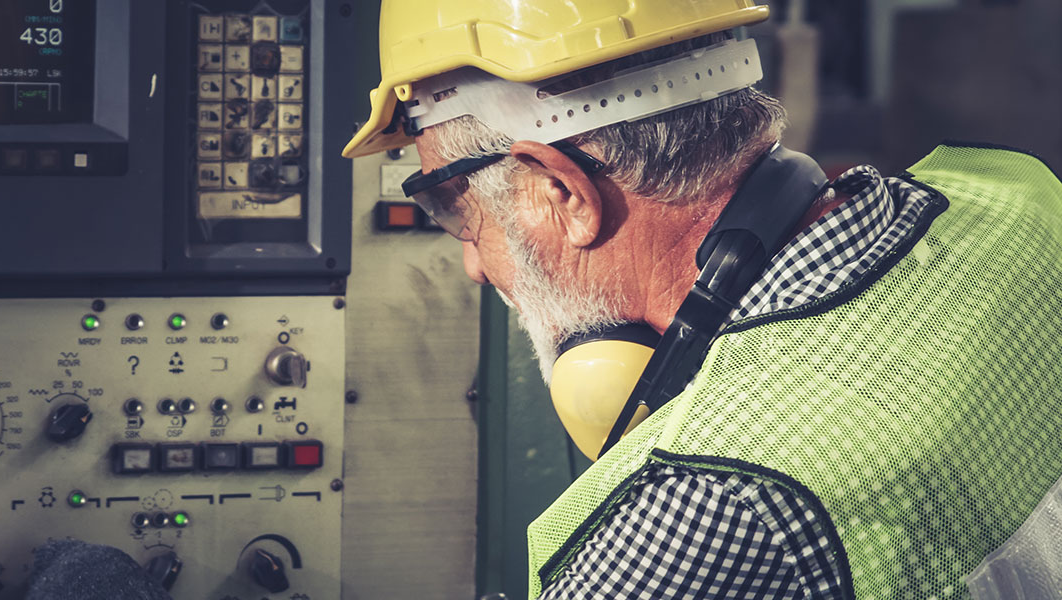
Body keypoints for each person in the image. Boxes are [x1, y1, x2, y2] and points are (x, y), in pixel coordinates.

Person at [343, 1, 1062, 599]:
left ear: (560, 191)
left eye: (451, 205)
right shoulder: (1018, 200)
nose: (470, 262)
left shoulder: (698, 513)